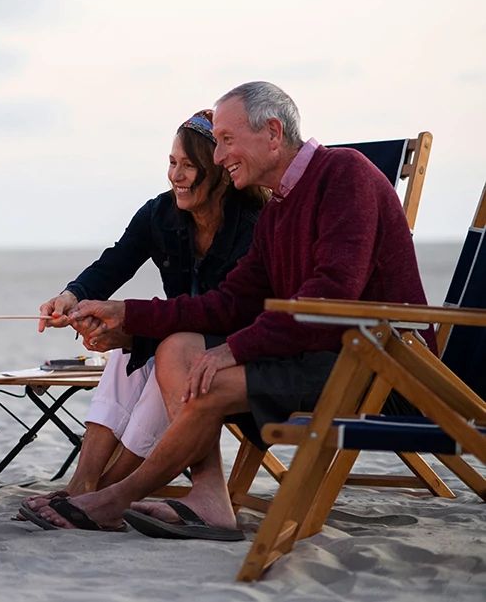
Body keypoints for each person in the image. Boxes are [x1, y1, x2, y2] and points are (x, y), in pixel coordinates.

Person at [29, 81, 432, 537]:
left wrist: (233, 349)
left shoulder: (344, 174)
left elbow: (329, 297)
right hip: (316, 355)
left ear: (273, 132)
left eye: (225, 141)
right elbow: (230, 302)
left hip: (378, 365)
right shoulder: (278, 210)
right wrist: (129, 315)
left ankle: (115, 497)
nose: (218, 158)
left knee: (209, 374)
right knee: (179, 348)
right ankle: (209, 499)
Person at [24, 110, 266, 521]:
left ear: (220, 173)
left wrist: (135, 325)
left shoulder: (252, 224)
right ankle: (84, 485)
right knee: (123, 356)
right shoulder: (161, 214)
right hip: (182, 337)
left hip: (235, 349)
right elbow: (115, 263)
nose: (177, 175)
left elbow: (230, 312)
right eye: (172, 163)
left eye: (190, 166)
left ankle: (106, 495)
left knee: (167, 355)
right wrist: (72, 296)